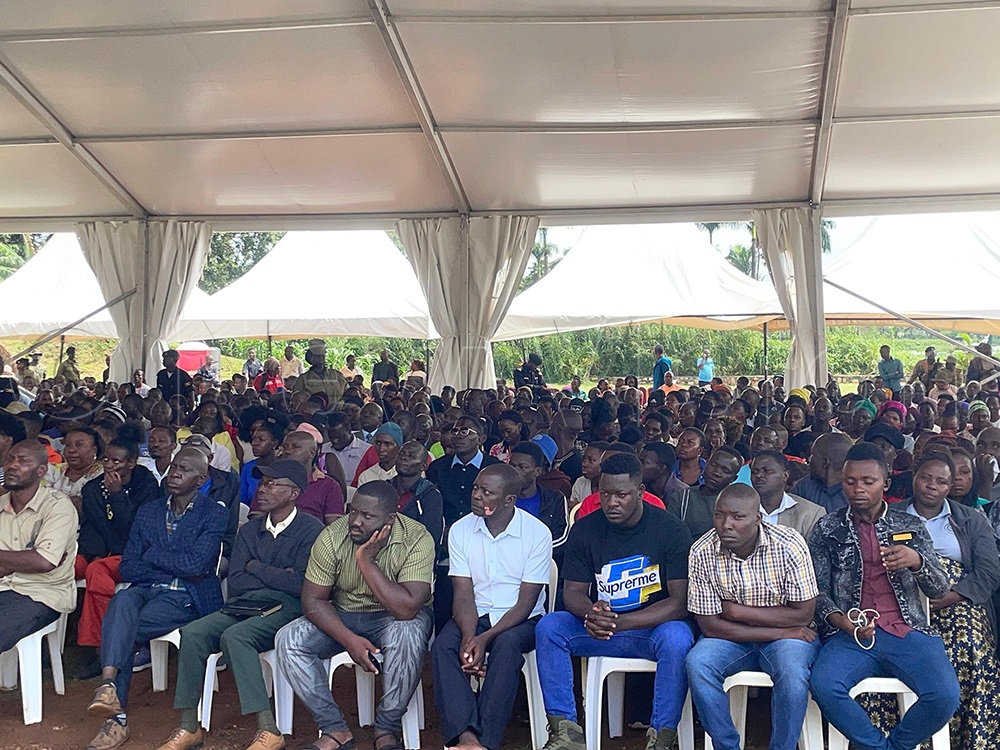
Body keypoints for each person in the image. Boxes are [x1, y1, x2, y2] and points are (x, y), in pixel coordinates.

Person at [155, 460, 323, 750]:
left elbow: (300, 585)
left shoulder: (311, 529)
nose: (262, 489)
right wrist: (275, 575)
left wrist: (255, 566)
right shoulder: (250, 529)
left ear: (293, 493)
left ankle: (268, 729)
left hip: (288, 607)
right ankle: (188, 725)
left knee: (236, 637)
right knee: (193, 632)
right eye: (262, 483)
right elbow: (237, 582)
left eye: (272, 483)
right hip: (243, 605)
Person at [535, 453, 694, 750]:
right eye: (604, 494)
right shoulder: (585, 529)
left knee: (678, 636)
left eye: (621, 495)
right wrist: (591, 613)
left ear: (640, 493)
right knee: (550, 626)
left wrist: (622, 622)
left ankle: (662, 738)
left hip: (649, 631)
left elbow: (678, 603)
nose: (611, 502)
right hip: (600, 629)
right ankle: (566, 733)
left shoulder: (671, 530)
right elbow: (572, 593)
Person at [807, 442, 960, 750]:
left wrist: (917, 561)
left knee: (944, 695)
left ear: (885, 483)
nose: (857, 489)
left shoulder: (909, 525)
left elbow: (940, 588)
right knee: (823, 686)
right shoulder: (827, 528)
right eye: (850, 482)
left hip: (907, 630)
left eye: (868, 481)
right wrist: (842, 623)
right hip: (852, 635)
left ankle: (894, 746)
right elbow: (817, 593)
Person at [274, 481, 434, 750]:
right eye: (353, 512)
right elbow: (312, 600)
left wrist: (365, 560)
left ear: (390, 519)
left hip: (394, 617)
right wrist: (350, 640)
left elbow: (407, 609)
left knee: (408, 632)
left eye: (368, 516)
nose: (356, 522)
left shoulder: (416, 538)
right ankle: (335, 729)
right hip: (344, 613)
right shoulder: (332, 536)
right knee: (288, 639)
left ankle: (386, 728)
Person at [86, 448, 228, 750]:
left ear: (201, 478)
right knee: (121, 602)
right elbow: (128, 567)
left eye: (185, 469)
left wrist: (152, 556)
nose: (175, 472)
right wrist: (169, 562)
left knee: (121, 628)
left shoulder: (214, 513)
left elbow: (197, 565)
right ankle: (109, 685)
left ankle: (115, 720)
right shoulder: (149, 511)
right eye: (174, 466)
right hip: (147, 590)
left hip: (187, 597)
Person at [686, 484, 820, 750]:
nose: (726, 525)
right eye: (719, 515)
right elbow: (711, 626)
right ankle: (726, 746)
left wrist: (736, 611)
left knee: (792, 673)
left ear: (758, 518)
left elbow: (803, 614)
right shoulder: (701, 551)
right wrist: (781, 631)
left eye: (738, 517)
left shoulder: (789, 544)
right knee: (698, 663)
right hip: (740, 638)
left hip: (782, 638)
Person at [431, 463, 553, 750]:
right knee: (443, 647)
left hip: (521, 619)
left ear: (509, 500)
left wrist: (483, 640)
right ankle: (466, 736)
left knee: (507, 646)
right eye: (476, 487)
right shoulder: (460, 530)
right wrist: (469, 636)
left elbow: (526, 603)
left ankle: (485, 741)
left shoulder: (536, 533)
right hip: (475, 614)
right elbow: (462, 595)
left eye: (487, 492)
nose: (476, 495)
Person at [892, 451, 1000, 750]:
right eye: (925, 477)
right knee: (899, 652)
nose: (931, 485)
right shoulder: (892, 517)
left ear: (950, 486)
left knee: (968, 645)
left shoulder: (971, 520)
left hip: (958, 602)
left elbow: (989, 571)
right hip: (903, 601)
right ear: (914, 477)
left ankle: (969, 738)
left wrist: (950, 595)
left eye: (940, 481)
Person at [76, 438, 162, 654]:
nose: (110, 465)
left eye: (117, 461)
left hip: (136, 554)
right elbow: (91, 525)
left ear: (132, 462)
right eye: (106, 459)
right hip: (101, 550)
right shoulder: (93, 488)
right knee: (67, 564)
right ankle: (58, 634)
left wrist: (117, 495)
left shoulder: (147, 488)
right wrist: (95, 553)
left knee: (97, 571)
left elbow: (135, 529)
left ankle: (102, 644)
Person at [0, 441, 77, 655]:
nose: (13, 466)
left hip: (40, 594)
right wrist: (20, 561)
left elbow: (44, 561)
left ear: (41, 470)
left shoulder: (57, 505)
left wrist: (14, 563)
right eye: (10, 459)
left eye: (23, 461)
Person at [252, 431, 344, 525]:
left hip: (314, 537)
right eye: (285, 447)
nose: (287, 451)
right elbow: (255, 521)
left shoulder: (329, 485)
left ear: (312, 453)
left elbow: (333, 528)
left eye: (295, 447)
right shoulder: (269, 482)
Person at [665, 446, 743, 539]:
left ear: (733, 478)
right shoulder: (682, 496)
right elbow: (669, 532)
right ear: (706, 464)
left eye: (725, 470)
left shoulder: (735, 505)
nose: (716, 472)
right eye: (713, 465)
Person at [508, 441, 569, 553]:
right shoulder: (500, 498)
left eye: (522, 467)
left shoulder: (554, 499)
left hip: (544, 563)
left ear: (537, 471)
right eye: (512, 465)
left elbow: (562, 538)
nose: (515, 471)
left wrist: (531, 554)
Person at [750, 451, 825, 538]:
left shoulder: (811, 513)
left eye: (767, 471)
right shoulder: (740, 507)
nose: (758, 475)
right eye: (754, 472)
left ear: (785, 475)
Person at [391, 440, 445, 554]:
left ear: (424, 466)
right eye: (401, 454)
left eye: (411, 456)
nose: (404, 458)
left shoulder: (430, 495)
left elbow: (429, 537)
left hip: (415, 556)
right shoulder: (385, 488)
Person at [45, 426, 105, 510]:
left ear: (94, 450)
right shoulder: (53, 470)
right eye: (68, 445)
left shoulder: (102, 475)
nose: (71, 450)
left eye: (79, 445)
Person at [791, 432, 852, 512]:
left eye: (812, 456)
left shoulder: (853, 492)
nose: (809, 460)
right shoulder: (805, 485)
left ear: (825, 463)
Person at [326, 412, 370, 487]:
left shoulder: (366, 451)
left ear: (349, 430)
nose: (334, 441)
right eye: (331, 437)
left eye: (338, 437)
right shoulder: (323, 450)